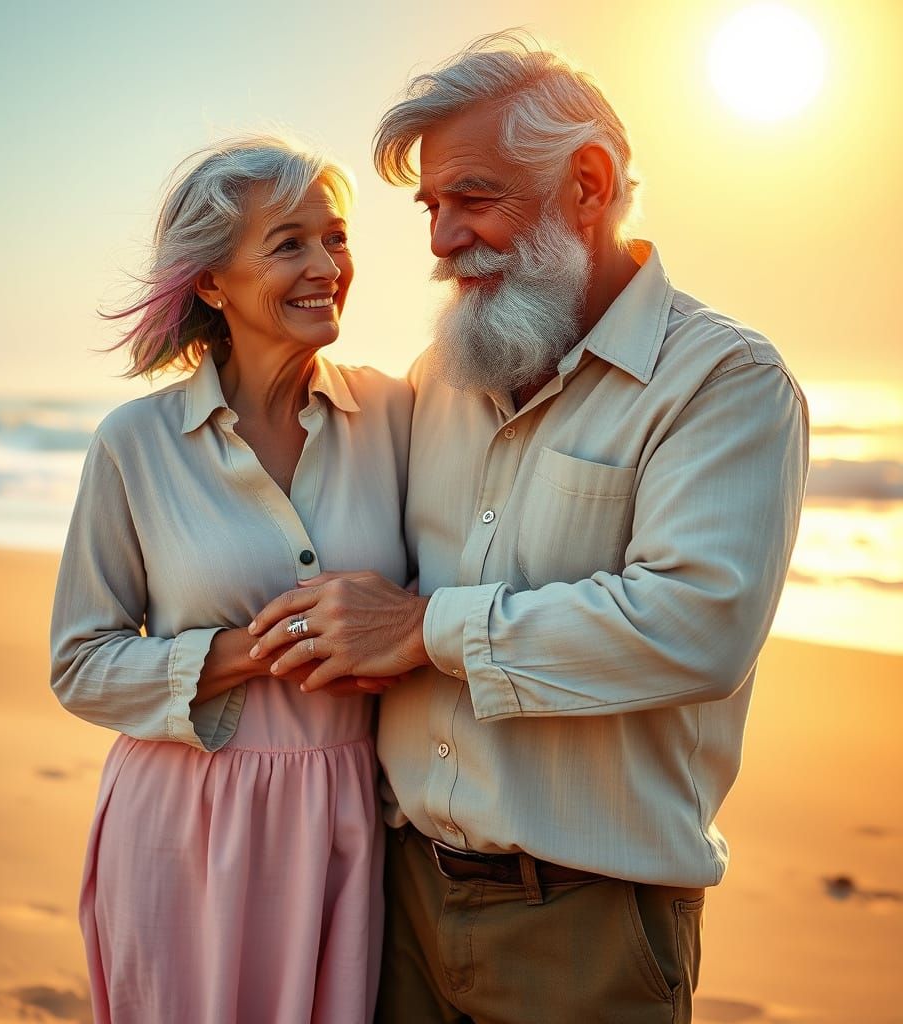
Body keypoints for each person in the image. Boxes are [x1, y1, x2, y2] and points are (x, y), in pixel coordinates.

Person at [247, 32, 809, 1024]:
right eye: (429, 207)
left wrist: (423, 629)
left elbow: (695, 625)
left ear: (586, 184)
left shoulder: (724, 381)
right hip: (393, 901)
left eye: (473, 196)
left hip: (588, 926)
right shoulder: (436, 377)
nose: (439, 238)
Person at [50, 136, 411, 1022]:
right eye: (288, 243)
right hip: (182, 819)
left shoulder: (401, 416)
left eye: (335, 237)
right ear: (212, 281)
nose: (326, 265)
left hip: (347, 820)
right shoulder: (134, 445)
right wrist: (249, 652)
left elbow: (435, 594)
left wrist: (406, 638)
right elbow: (80, 663)